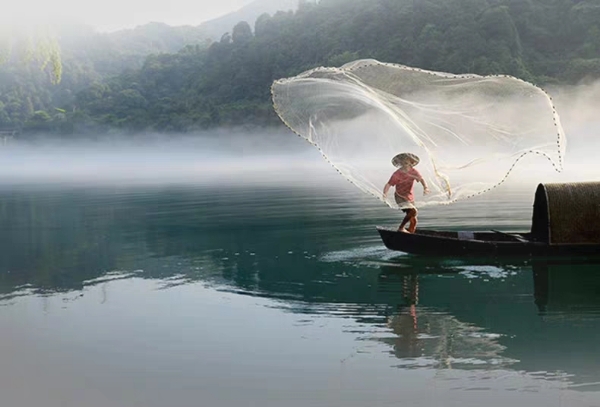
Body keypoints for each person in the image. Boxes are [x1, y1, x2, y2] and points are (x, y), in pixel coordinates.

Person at [382, 152, 429, 233]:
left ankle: (411, 235)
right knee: (413, 211)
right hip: (400, 196)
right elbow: (389, 184)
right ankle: (401, 228)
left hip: (410, 197)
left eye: (407, 161)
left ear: (411, 162)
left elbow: (421, 179)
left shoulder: (414, 171)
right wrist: (385, 193)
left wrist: (425, 187)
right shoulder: (397, 173)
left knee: (413, 219)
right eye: (403, 161)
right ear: (400, 163)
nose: (405, 162)